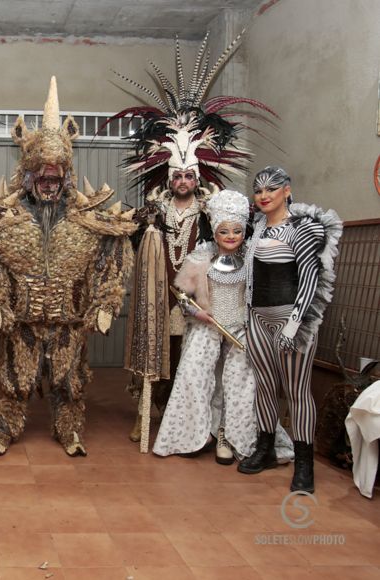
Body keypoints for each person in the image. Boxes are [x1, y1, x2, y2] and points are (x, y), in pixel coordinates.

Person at [109, 32, 277, 446]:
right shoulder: (155, 205)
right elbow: (134, 243)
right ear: (168, 177)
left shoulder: (212, 208)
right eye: (177, 175)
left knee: (194, 356)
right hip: (160, 291)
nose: (183, 181)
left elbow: (233, 239)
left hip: (205, 295)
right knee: (157, 349)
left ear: (197, 176)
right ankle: (150, 410)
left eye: (189, 175)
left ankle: (197, 420)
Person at [0, 77, 136, 457]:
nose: (48, 184)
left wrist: (106, 304)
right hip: (20, 321)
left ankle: (69, 430)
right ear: (29, 176)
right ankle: (3, 429)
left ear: (65, 176)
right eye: (42, 177)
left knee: (71, 381)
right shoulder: (7, 219)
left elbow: (113, 253)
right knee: (12, 378)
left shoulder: (86, 221)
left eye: (55, 177)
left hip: (68, 321)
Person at [153, 189, 294, 463]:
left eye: (237, 231)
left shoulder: (252, 256)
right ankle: (197, 433)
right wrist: (197, 311)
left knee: (241, 382)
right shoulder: (202, 255)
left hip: (240, 330)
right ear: (215, 232)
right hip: (207, 326)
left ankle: (229, 434)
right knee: (195, 373)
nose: (231, 236)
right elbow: (182, 295)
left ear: (244, 231)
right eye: (224, 231)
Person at [239, 166, 342, 493]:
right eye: (258, 190)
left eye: (271, 188)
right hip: (256, 317)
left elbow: (311, 277)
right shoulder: (254, 227)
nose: (264, 195)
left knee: (297, 391)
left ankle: (304, 464)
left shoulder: (304, 227)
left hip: (291, 320)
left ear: (287, 190)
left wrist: (295, 323)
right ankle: (265, 448)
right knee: (264, 386)